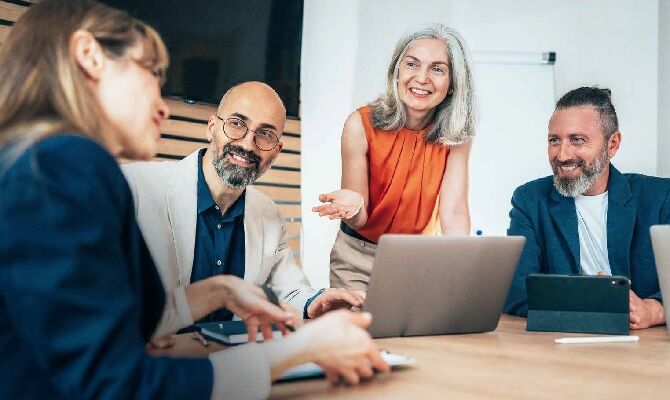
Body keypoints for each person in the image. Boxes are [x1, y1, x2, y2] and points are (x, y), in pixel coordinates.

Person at [0, 1, 388, 399]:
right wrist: (303, 348)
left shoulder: (41, 163)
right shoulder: (63, 167)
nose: (162, 103)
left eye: (265, 134)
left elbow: (98, 328)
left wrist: (217, 291)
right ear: (89, 57)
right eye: (153, 73)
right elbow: (115, 385)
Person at [122, 81, 365, 339]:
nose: (249, 145)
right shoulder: (134, 189)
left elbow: (287, 291)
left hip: (235, 363)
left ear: (277, 151)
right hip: (153, 361)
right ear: (212, 128)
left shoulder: (269, 213)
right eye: (237, 123)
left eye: (265, 134)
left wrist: (314, 303)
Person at [313, 24, 477, 290]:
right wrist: (354, 205)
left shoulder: (457, 135)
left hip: (418, 260)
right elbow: (360, 218)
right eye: (412, 64)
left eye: (437, 69)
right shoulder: (359, 124)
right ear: (397, 71)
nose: (422, 78)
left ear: (452, 83)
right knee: (356, 332)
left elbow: (454, 211)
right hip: (357, 258)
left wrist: (458, 269)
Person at [504, 86, 669, 330]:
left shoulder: (660, 197)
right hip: (560, 342)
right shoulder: (529, 200)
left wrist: (654, 310)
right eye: (554, 141)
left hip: (645, 346)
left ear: (612, 144)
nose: (562, 155)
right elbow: (516, 292)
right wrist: (600, 302)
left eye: (577, 140)